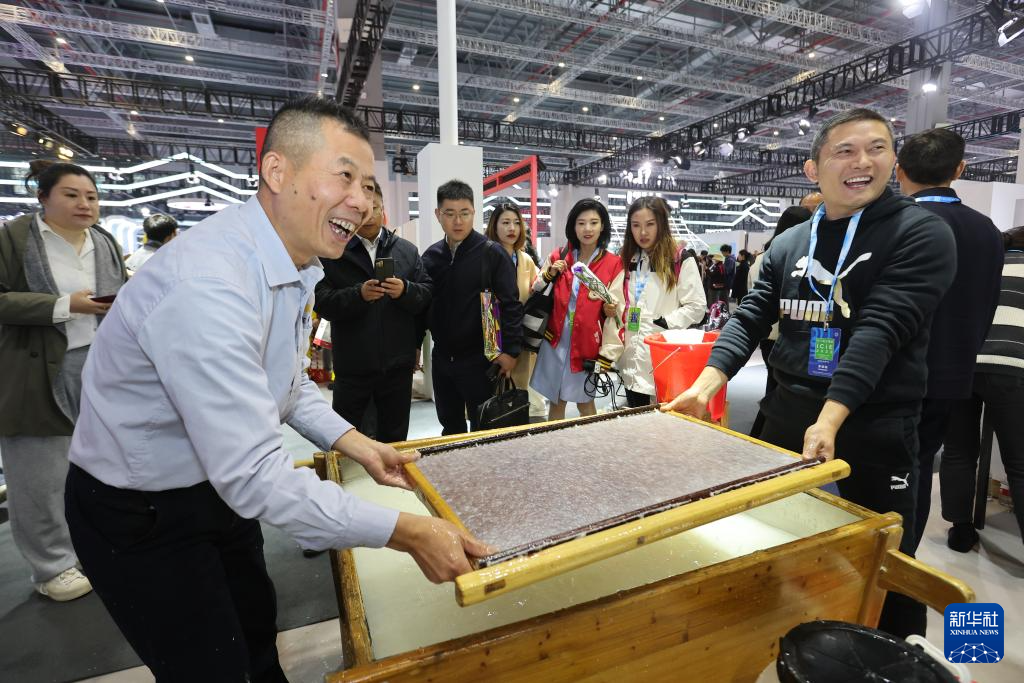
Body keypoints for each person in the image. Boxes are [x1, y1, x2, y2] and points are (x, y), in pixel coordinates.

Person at [64, 97, 491, 682]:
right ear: (276, 170)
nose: (360, 200)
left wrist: (360, 446)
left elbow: (285, 387)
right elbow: (255, 474)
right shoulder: (209, 285)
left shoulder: (298, 268)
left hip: (214, 491)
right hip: (142, 510)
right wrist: (408, 533)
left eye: (367, 186)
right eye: (344, 176)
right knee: (209, 667)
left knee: (255, 638)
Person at [663, 108, 956, 639]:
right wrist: (706, 384)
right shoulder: (791, 242)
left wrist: (830, 419)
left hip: (873, 424)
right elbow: (751, 315)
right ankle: (778, 638)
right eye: (845, 151)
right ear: (813, 169)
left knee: (887, 559)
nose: (862, 161)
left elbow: (881, 329)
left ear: (894, 160)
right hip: (787, 415)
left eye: (877, 148)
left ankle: (900, 654)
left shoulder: (920, 233)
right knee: (771, 537)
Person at [0, 160, 126, 602]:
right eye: (71, 195)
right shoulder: (14, 239)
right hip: (34, 369)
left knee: (98, 464)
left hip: (100, 364)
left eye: (91, 196)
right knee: (39, 472)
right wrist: (63, 305)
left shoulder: (103, 241)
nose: (84, 204)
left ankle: (90, 546)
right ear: (43, 198)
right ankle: (51, 565)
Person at [895, 127, 1004, 551]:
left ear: (899, 170)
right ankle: (905, 559)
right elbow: (987, 305)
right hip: (952, 372)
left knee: (879, 469)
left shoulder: (894, 221)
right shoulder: (986, 230)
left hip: (890, 372)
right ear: (959, 169)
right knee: (919, 467)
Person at [314, 181, 432, 443]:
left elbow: (426, 295)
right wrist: (358, 295)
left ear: (383, 209)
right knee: (348, 440)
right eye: (362, 210)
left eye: (375, 208)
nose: (369, 216)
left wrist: (405, 290)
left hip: (396, 368)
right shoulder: (333, 252)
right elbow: (321, 301)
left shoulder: (406, 251)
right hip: (352, 368)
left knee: (395, 440)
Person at [940, 226, 1024, 550]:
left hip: (963, 365)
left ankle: (961, 532)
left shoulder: (982, 267)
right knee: (1019, 464)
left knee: (959, 451)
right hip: (1013, 369)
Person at [422, 180, 523, 434]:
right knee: (450, 426)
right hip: (442, 357)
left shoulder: (492, 254)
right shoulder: (431, 257)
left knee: (484, 427)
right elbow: (423, 305)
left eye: (464, 213)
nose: (458, 222)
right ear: (438, 214)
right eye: (450, 214)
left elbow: (511, 305)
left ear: (474, 213)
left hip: (481, 358)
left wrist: (510, 352)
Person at [599, 196, 706, 407]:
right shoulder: (628, 258)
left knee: (664, 420)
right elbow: (623, 299)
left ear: (661, 224)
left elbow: (697, 307)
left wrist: (664, 322)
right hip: (630, 357)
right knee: (635, 414)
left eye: (650, 224)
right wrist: (611, 309)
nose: (643, 232)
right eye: (636, 225)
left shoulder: (680, 258)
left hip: (663, 355)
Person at [531, 198, 623, 420]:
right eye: (581, 223)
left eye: (593, 222)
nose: (587, 229)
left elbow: (618, 308)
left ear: (603, 226)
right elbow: (536, 287)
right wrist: (550, 273)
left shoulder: (613, 263)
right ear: (573, 226)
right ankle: (555, 441)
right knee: (556, 401)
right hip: (556, 340)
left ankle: (591, 442)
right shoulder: (559, 255)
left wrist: (611, 311)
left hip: (586, 344)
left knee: (585, 402)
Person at [747, 206, 813, 438]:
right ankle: (762, 432)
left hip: (767, 334)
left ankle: (761, 433)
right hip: (788, 335)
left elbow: (752, 297)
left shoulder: (761, 258)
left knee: (775, 385)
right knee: (781, 389)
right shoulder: (791, 257)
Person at [485, 202, 544, 416]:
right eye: (505, 223)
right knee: (489, 404)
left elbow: (536, 293)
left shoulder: (525, 260)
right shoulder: (486, 256)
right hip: (491, 342)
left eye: (516, 223)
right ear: (494, 226)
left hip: (518, 340)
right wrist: (494, 350)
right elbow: (486, 303)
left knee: (516, 401)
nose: (512, 228)